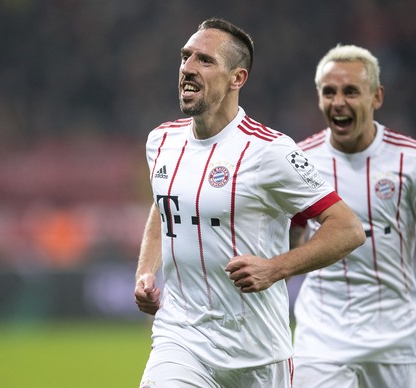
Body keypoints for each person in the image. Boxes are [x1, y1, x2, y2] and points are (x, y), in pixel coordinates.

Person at [134, 19, 366, 388]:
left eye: (205, 60)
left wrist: (276, 268)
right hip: (180, 339)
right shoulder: (160, 141)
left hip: (258, 354)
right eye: (185, 57)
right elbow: (163, 206)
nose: (188, 68)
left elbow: (348, 228)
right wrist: (145, 271)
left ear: (237, 78)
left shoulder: (269, 151)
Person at [291, 44, 416, 387]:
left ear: (377, 97)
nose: (339, 101)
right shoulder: (298, 160)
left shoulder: (413, 160)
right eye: (329, 92)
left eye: (351, 91)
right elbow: (289, 241)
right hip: (319, 340)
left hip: (396, 342)